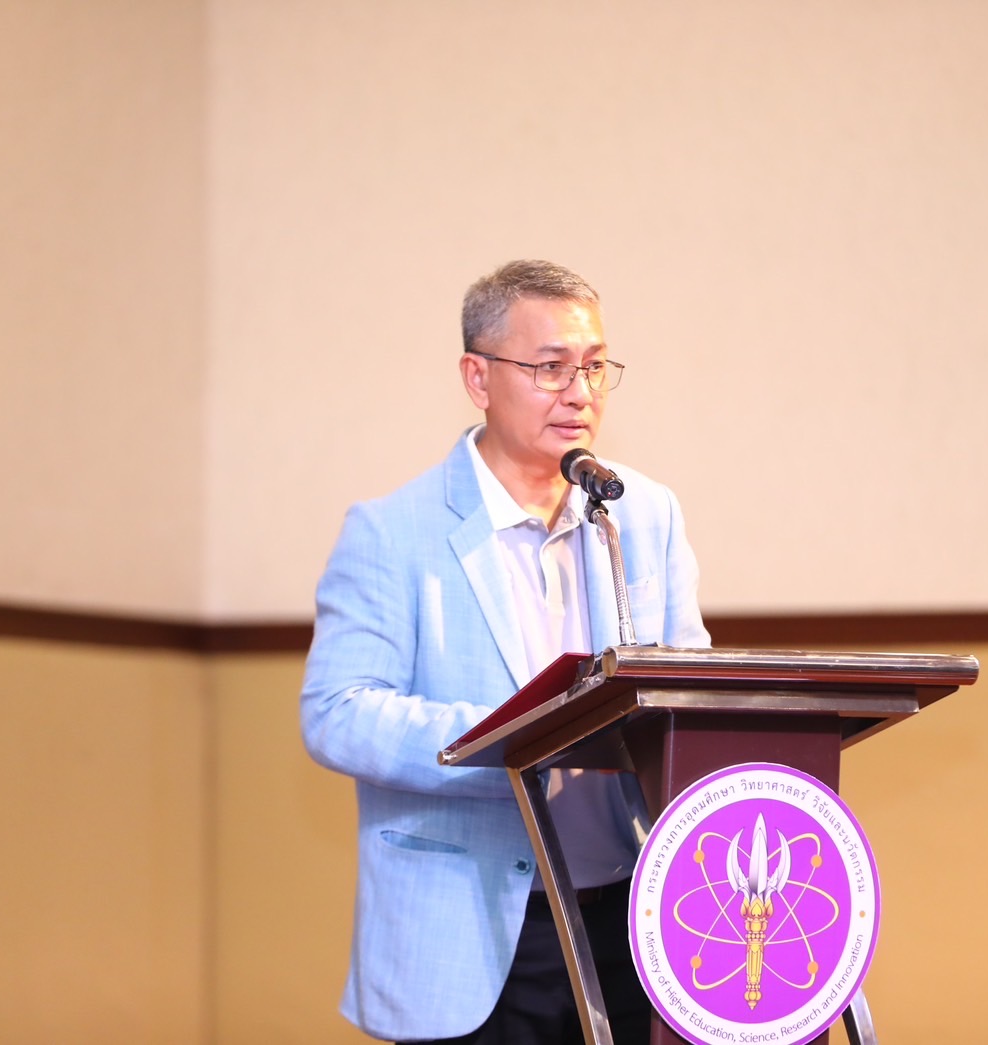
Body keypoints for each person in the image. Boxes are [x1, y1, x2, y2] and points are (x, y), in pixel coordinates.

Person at [301, 259, 711, 1044]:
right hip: (473, 929)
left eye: (595, 366)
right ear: (477, 377)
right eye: (550, 367)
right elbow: (336, 713)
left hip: (631, 919)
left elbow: (687, 687)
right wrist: (514, 735)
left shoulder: (640, 514)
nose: (580, 392)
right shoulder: (392, 531)